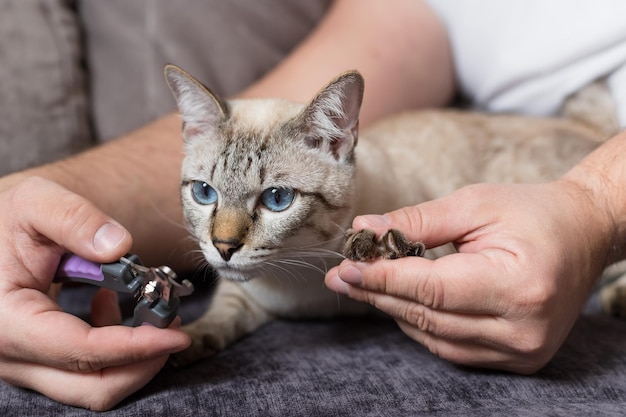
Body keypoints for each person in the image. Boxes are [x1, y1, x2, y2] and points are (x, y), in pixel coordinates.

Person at [0, 0, 625, 411]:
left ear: (337, 141)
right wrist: (19, 213)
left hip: (556, 158)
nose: (224, 237)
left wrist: (596, 209)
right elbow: (255, 270)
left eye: (274, 199)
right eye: (205, 195)